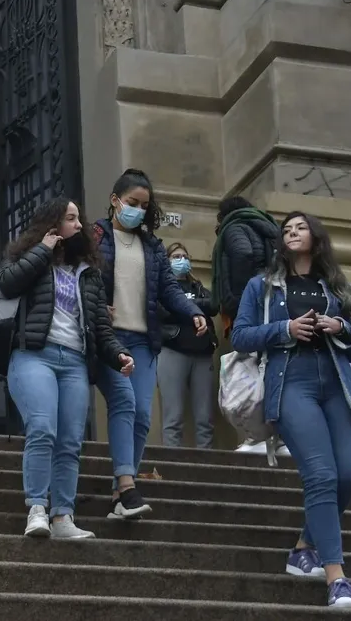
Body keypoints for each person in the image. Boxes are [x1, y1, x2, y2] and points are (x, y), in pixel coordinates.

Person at [230, 211, 351, 609]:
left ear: (315, 237)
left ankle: (304, 545)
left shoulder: (336, 287)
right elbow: (240, 336)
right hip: (292, 383)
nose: (292, 232)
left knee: (349, 474)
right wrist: (285, 329)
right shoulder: (262, 286)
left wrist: (340, 328)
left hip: (337, 384)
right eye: (286, 229)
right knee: (321, 475)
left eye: (300, 227)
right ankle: (336, 578)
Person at [0, 196, 135, 540]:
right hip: (34, 356)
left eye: (77, 218)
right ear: (53, 223)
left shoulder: (88, 272)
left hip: (74, 361)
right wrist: (43, 250)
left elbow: (100, 327)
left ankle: (63, 517)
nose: (78, 224)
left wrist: (119, 354)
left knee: (71, 442)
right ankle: (37, 509)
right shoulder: (28, 256)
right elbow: (7, 282)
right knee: (43, 428)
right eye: (70, 218)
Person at [93, 169, 207, 520]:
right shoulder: (96, 237)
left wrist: (192, 311)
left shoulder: (153, 246)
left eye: (145, 206)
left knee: (142, 415)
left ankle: (120, 493)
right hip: (109, 339)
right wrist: (97, 305)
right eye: (133, 203)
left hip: (143, 340)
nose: (139, 211)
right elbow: (84, 278)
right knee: (124, 404)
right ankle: (127, 485)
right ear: (115, 200)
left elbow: (169, 289)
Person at [210, 195, 282, 454]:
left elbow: (243, 253)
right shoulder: (269, 226)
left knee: (249, 369)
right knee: (269, 368)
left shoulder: (234, 227)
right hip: (273, 304)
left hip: (250, 307)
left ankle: (258, 436)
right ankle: (277, 437)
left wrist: (242, 298)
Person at [157, 242, 218, 449]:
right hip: (173, 352)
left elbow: (213, 305)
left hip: (202, 355)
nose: (181, 260)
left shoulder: (199, 287)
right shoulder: (162, 288)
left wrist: (183, 306)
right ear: (166, 261)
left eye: (185, 256)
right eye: (176, 257)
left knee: (205, 419)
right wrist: (192, 308)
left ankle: (207, 465)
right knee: (172, 417)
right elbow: (162, 310)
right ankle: (171, 464)